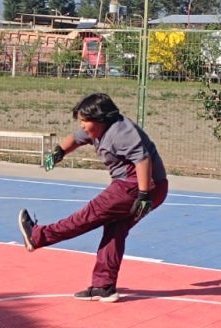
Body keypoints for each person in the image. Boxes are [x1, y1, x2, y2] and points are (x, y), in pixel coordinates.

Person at [17, 92, 168, 303]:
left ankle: (38, 236)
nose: (82, 126)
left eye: (84, 121)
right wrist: (57, 153)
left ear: (100, 119)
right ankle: (103, 286)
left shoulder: (121, 132)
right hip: (145, 186)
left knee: (87, 216)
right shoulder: (96, 130)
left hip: (138, 185)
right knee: (115, 230)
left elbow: (142, 160)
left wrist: (143, 195)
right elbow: (75, 140)